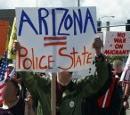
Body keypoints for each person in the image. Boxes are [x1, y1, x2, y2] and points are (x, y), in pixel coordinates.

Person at [11, 36, 109, 115]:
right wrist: (21, 53)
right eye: (65, 63)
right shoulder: (43, 86)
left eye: (71, 63)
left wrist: (98, 52)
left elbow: (100, 79)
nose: (69, 67)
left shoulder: (79, 88)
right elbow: (28, 76)